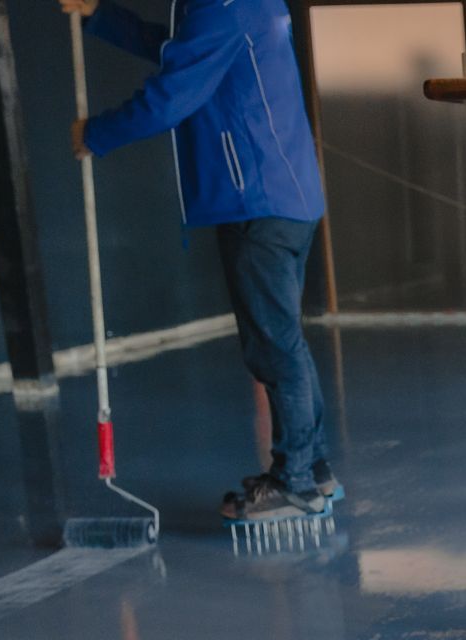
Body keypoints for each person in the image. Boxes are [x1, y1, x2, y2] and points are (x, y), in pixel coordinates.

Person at [60, 0, 337, 522]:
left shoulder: (223, 7)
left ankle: (296, 482)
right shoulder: (238, 4)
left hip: (259, 200)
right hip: (285, 194)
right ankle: (314, 468)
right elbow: (176, 48)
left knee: (275, 348)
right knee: (284, 343)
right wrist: (100, 15)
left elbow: (169, 98)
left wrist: (96, 134)